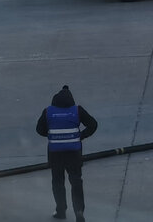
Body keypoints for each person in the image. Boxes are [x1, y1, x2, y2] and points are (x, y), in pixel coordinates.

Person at [36, 84, 98, 221]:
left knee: (58, 182)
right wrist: (81, 136)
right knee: (76, 181)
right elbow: (93, 124)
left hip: (55, 154)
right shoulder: (77, 110)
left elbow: (39, 130)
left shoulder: (48, 111)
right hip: (74, 153)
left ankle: (61, 211)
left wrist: (52, 134)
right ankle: (79, 212)